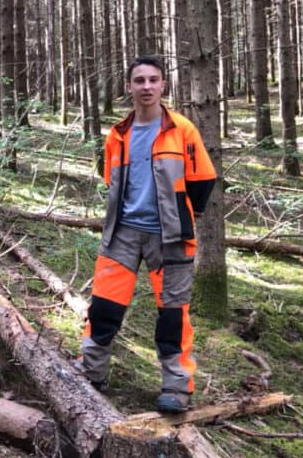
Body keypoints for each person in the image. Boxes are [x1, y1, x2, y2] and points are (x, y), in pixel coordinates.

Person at [75, 55, 217, 413]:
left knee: (172, 316)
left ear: (163, 85)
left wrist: (183, 216)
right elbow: (111, 179)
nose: (147, 87)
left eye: (153, 80)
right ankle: (90, 372)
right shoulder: (118, 134)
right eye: (139, 80)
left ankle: (177, 388)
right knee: (104, 307)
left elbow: (204, 179)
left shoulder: (182, 129)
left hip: (170, 239)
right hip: (122, 233)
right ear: (129, 87)